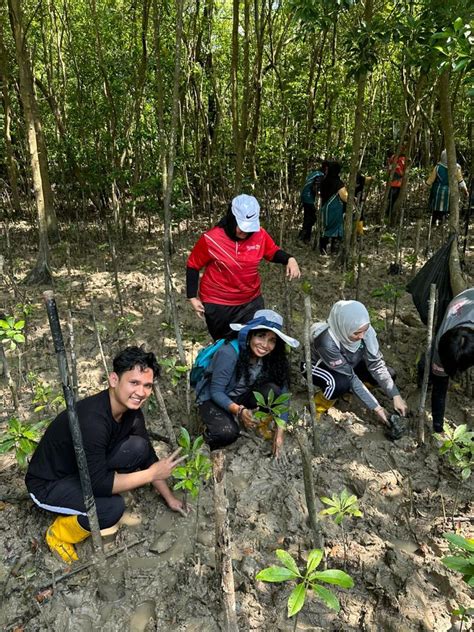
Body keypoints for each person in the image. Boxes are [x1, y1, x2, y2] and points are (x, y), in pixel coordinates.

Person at [25, 347, 187, 564]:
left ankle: (105, 488)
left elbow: (147, 454)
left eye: (147, 385)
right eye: (134, 383)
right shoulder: (92, 420)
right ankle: (59, 534)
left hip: (81, 468)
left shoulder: (132, 412)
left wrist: (170, 498)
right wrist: (150, 475)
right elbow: (99, 484)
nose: (141, 392)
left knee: (138, 446)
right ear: (113, 379)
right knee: (111, 508)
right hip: (48, 484)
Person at [186, 194, 300, 340]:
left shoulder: (260, 235)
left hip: (251, 301)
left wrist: (289, 259)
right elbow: (193, 265)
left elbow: (272, 252)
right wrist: (192, 298)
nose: (244, 232)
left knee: (253, 341)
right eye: (241, 226)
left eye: (249, 227)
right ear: (231, 218)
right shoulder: (211, 239)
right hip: (219, 303)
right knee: (225, 344)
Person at [195, 309, 299, 457]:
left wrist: (280, 432)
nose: (265, 345)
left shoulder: (270, 357)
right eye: (261, 336)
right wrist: (239, 411)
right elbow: (216, 391)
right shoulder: (229, 353)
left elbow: (283, 392)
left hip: (241, 394)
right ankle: (206, 434)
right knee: (227, 433)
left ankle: (254, 421)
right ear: (249, 335)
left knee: (273, 390)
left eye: (272, 340)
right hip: (213, 398)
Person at [304, 300, 408, 426]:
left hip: (348, 364)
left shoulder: (364, 330)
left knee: (389, 374)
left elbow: (376, 365)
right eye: (356, 333)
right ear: (344, 327)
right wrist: (377, 408)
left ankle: (352, 392)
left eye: (365, 330)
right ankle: (317, 407)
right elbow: (350, 377)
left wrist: (396, 396)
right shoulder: (326, 342)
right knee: (340, 384)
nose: (362, 336)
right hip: (319, 366)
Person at [429, 288, 474, 432]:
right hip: (459, 303)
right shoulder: (440, 347)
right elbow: (439, 391)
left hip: (469, 301)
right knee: (438, 380)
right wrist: (438, 428)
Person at [426, 149, 468, 225]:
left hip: (437, 190)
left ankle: (433, 222)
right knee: (445, 209)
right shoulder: (457, 167)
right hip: (449, 191)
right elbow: (460, 181)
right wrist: (465, 190)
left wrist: (425, 186)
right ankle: (442, 223)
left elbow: (430, 180)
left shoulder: (437, 167)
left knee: (436, 209)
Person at [319, 161, 348, 254]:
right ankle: (334, 250)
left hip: (324, 209)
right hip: (335, 209)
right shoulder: (338, 182)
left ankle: (322, 250)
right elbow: (344, 196)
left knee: (325, 228)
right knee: (336, 228)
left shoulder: (324, 181)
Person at [298, 168, 324, 244]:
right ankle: (303, 237)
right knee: (311, 218)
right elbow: (315, 187)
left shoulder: (314, 173)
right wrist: (320, 194)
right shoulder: (320, 175)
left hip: (305, 197)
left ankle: (305, 237)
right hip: (308, 198)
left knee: (308, 217)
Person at [386, 148, 406, 221]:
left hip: (396, 184)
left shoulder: (400, 159)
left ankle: (389, 215)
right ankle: (389, 216)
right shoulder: (395, 159)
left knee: (392, 201)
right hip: (395, 184)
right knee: (392, 201)